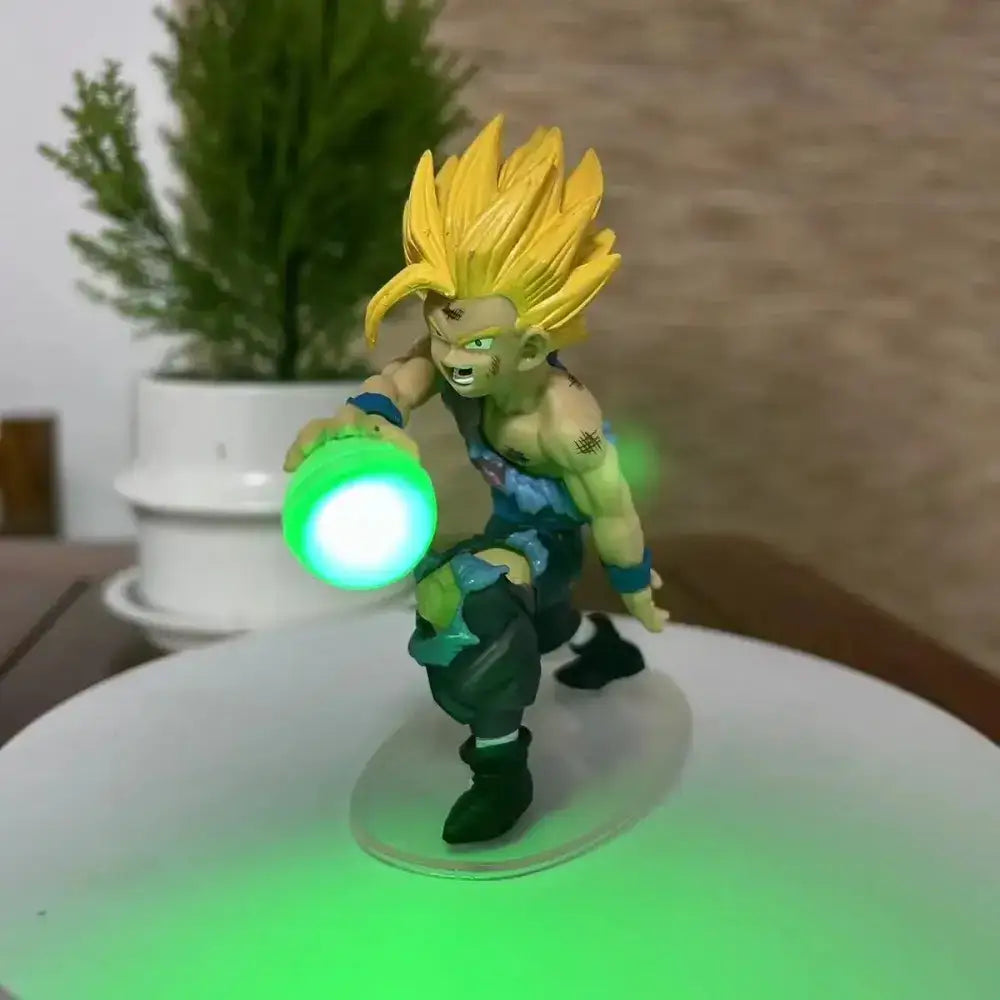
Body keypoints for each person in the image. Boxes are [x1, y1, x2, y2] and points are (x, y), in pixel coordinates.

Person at [284, 115, 669, 845]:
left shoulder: (568, 423)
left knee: (469, 601)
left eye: (475, 343)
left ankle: (500, 769)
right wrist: (360, 420)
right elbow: (398, 380)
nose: (452, 357)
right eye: (442, 334)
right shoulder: (457, 356)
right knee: (531, 613)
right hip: (506, 526)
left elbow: (612, 503)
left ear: (531, 344)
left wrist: (635, 581)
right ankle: (597, 646)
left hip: (551, 542)